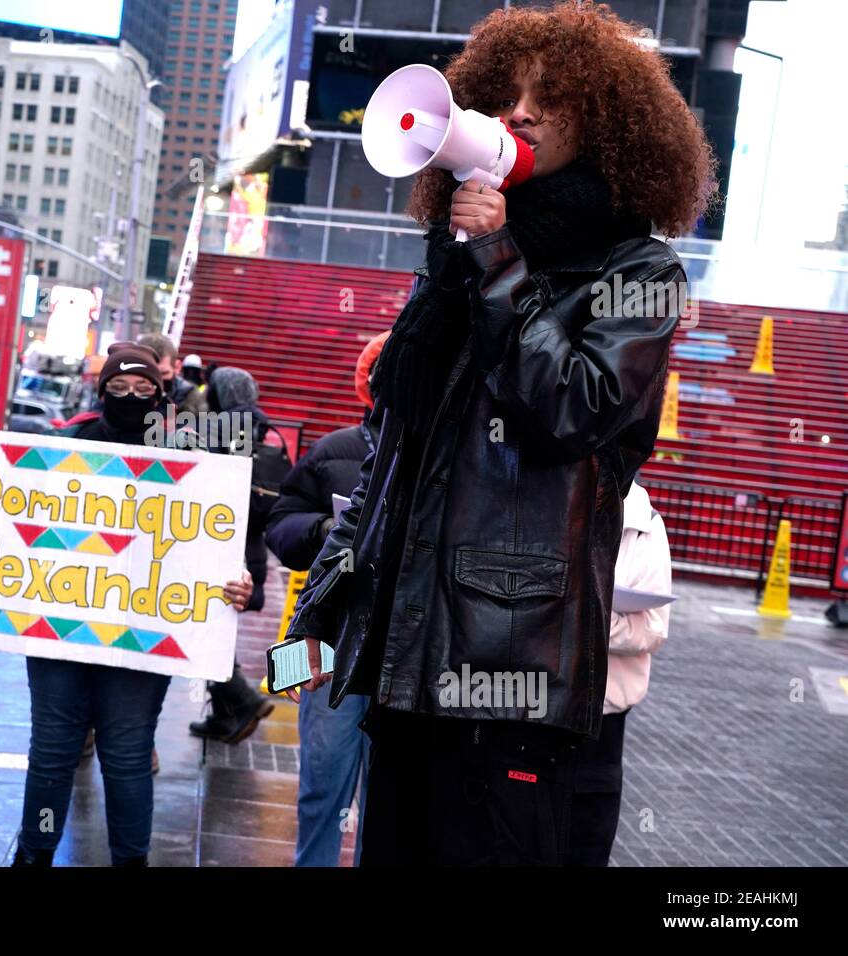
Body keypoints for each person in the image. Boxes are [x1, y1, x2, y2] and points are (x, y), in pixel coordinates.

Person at [285, 0, 715, 866]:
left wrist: (494, 263)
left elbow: (574, 411)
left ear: (608, 124)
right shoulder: (465, 255)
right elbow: (393, 441)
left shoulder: (640, 271)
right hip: (403, 672)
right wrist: (315, 624)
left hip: (506, 678)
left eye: (548, 98)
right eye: (507, 94)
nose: (517, 112)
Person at [0, 342, 254, 866]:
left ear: (163, 392)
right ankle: (32, 857)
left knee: (127, 758)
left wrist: (238, 582)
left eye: (145, 388)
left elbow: (216, 543)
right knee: (52, 755)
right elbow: (4, 509)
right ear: (100, 392)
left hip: (142, 634)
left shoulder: (195, 460)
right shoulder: (67, 443)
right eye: (119, 388)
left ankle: (130, 861)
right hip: (62, 632)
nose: (131, 397)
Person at [267, 332, 388, 866]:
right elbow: (280, 526)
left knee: (390, 802)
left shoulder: (452, 457)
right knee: (321, 780)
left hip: (402, 647)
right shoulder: (335, 449)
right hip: (327, 639)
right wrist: (321, 530)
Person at [569, 478, 671, 866]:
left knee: (586, 851)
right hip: (535, 715)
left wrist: (578, 617)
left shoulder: (645, 522)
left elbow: (653, 628)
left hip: (603, 726)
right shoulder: (548, 499)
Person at [187, 366, 276, 744]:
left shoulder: (228, 427)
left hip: (226, 546)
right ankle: (227, 715)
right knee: (216, 627)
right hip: (250, 545)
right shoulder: (260, 427)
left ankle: (241, 698)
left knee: (203, 628)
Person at [136, 333, 204, 416]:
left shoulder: (189, 398)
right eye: (146, 374)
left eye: (163, 373)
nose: (155, 380)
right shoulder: (121, 394)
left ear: (177, 367)